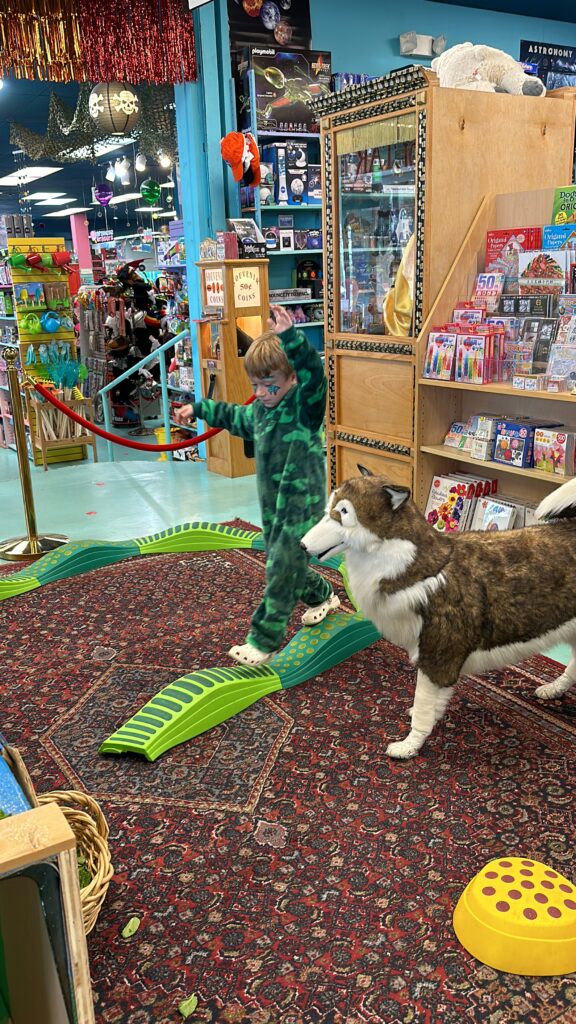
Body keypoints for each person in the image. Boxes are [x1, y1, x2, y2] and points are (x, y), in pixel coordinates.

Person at [174, 304, 340, 666]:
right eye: (256, 386)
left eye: (271, 385)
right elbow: (233, 416)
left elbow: (315, 373)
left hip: (302, 504)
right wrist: (199, 409)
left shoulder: (304, 407)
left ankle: (264, 641)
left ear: (291, 379)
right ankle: (322, 595)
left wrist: (290, 337)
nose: (262, 392)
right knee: (287, 561)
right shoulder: (261, 412)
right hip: (271, 505)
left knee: (281, 565)